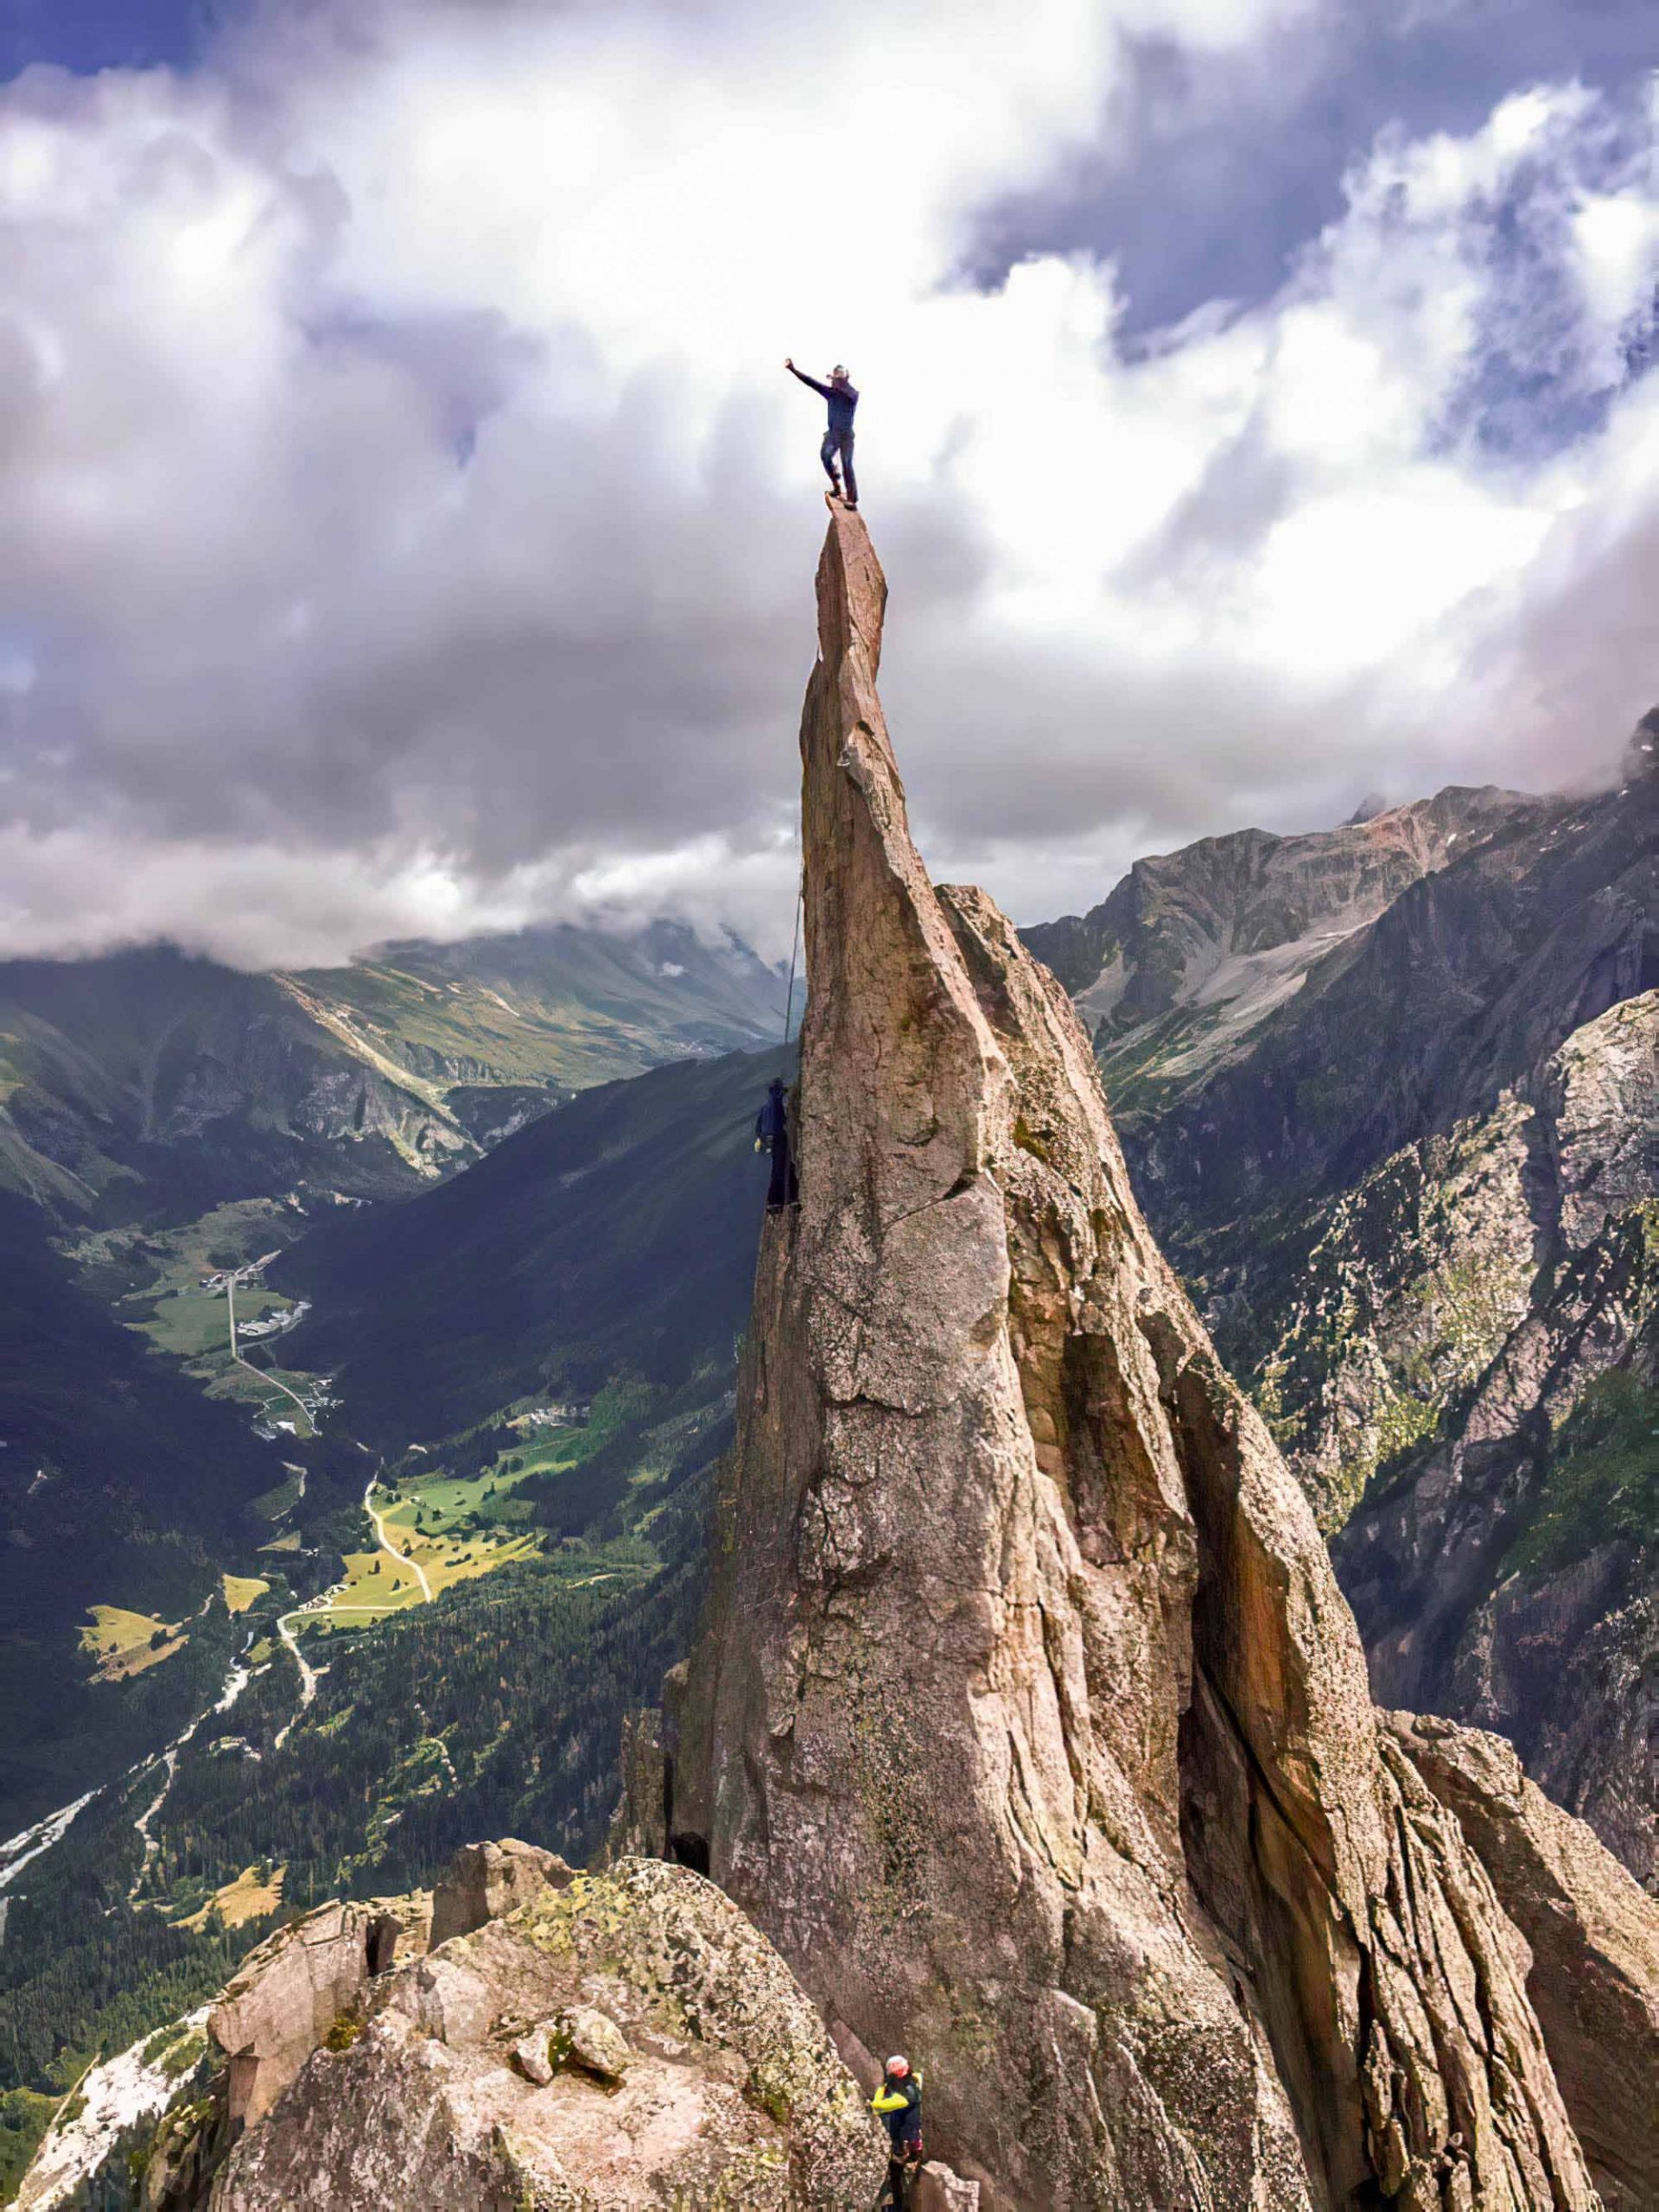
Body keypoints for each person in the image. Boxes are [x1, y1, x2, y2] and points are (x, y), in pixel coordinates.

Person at [785, 357, 859, 507]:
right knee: (825, 456)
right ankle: (836, 485)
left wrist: (837, 381)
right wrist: (793, 369)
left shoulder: (852, 394)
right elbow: (810, 382)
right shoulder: (831, 393)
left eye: (837, 378)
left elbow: (848, 394)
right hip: (833, 434)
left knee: (847, 463)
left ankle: (852, 498)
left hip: (846, 436)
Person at [871, 2056, 922, 2208]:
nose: (894, 2068)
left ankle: (899, 2205)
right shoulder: (898, 2084)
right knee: (897, 2179)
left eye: (896, 2066)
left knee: (900, 2179)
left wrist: (878, 2097)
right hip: (900, 2139)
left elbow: (881, 2106)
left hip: (907, 2142)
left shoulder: (910, 2086)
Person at [754, 1076, 798, 1212]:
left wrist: (762, 1139)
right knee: (786, 1166)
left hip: (770, 1140)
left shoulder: (765, 1107)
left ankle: (780, 1200)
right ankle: (785, 1199)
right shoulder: (775, 1099)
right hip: (779, 1137)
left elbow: (758, 1128)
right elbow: (780, 1095)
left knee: (779, 1168)